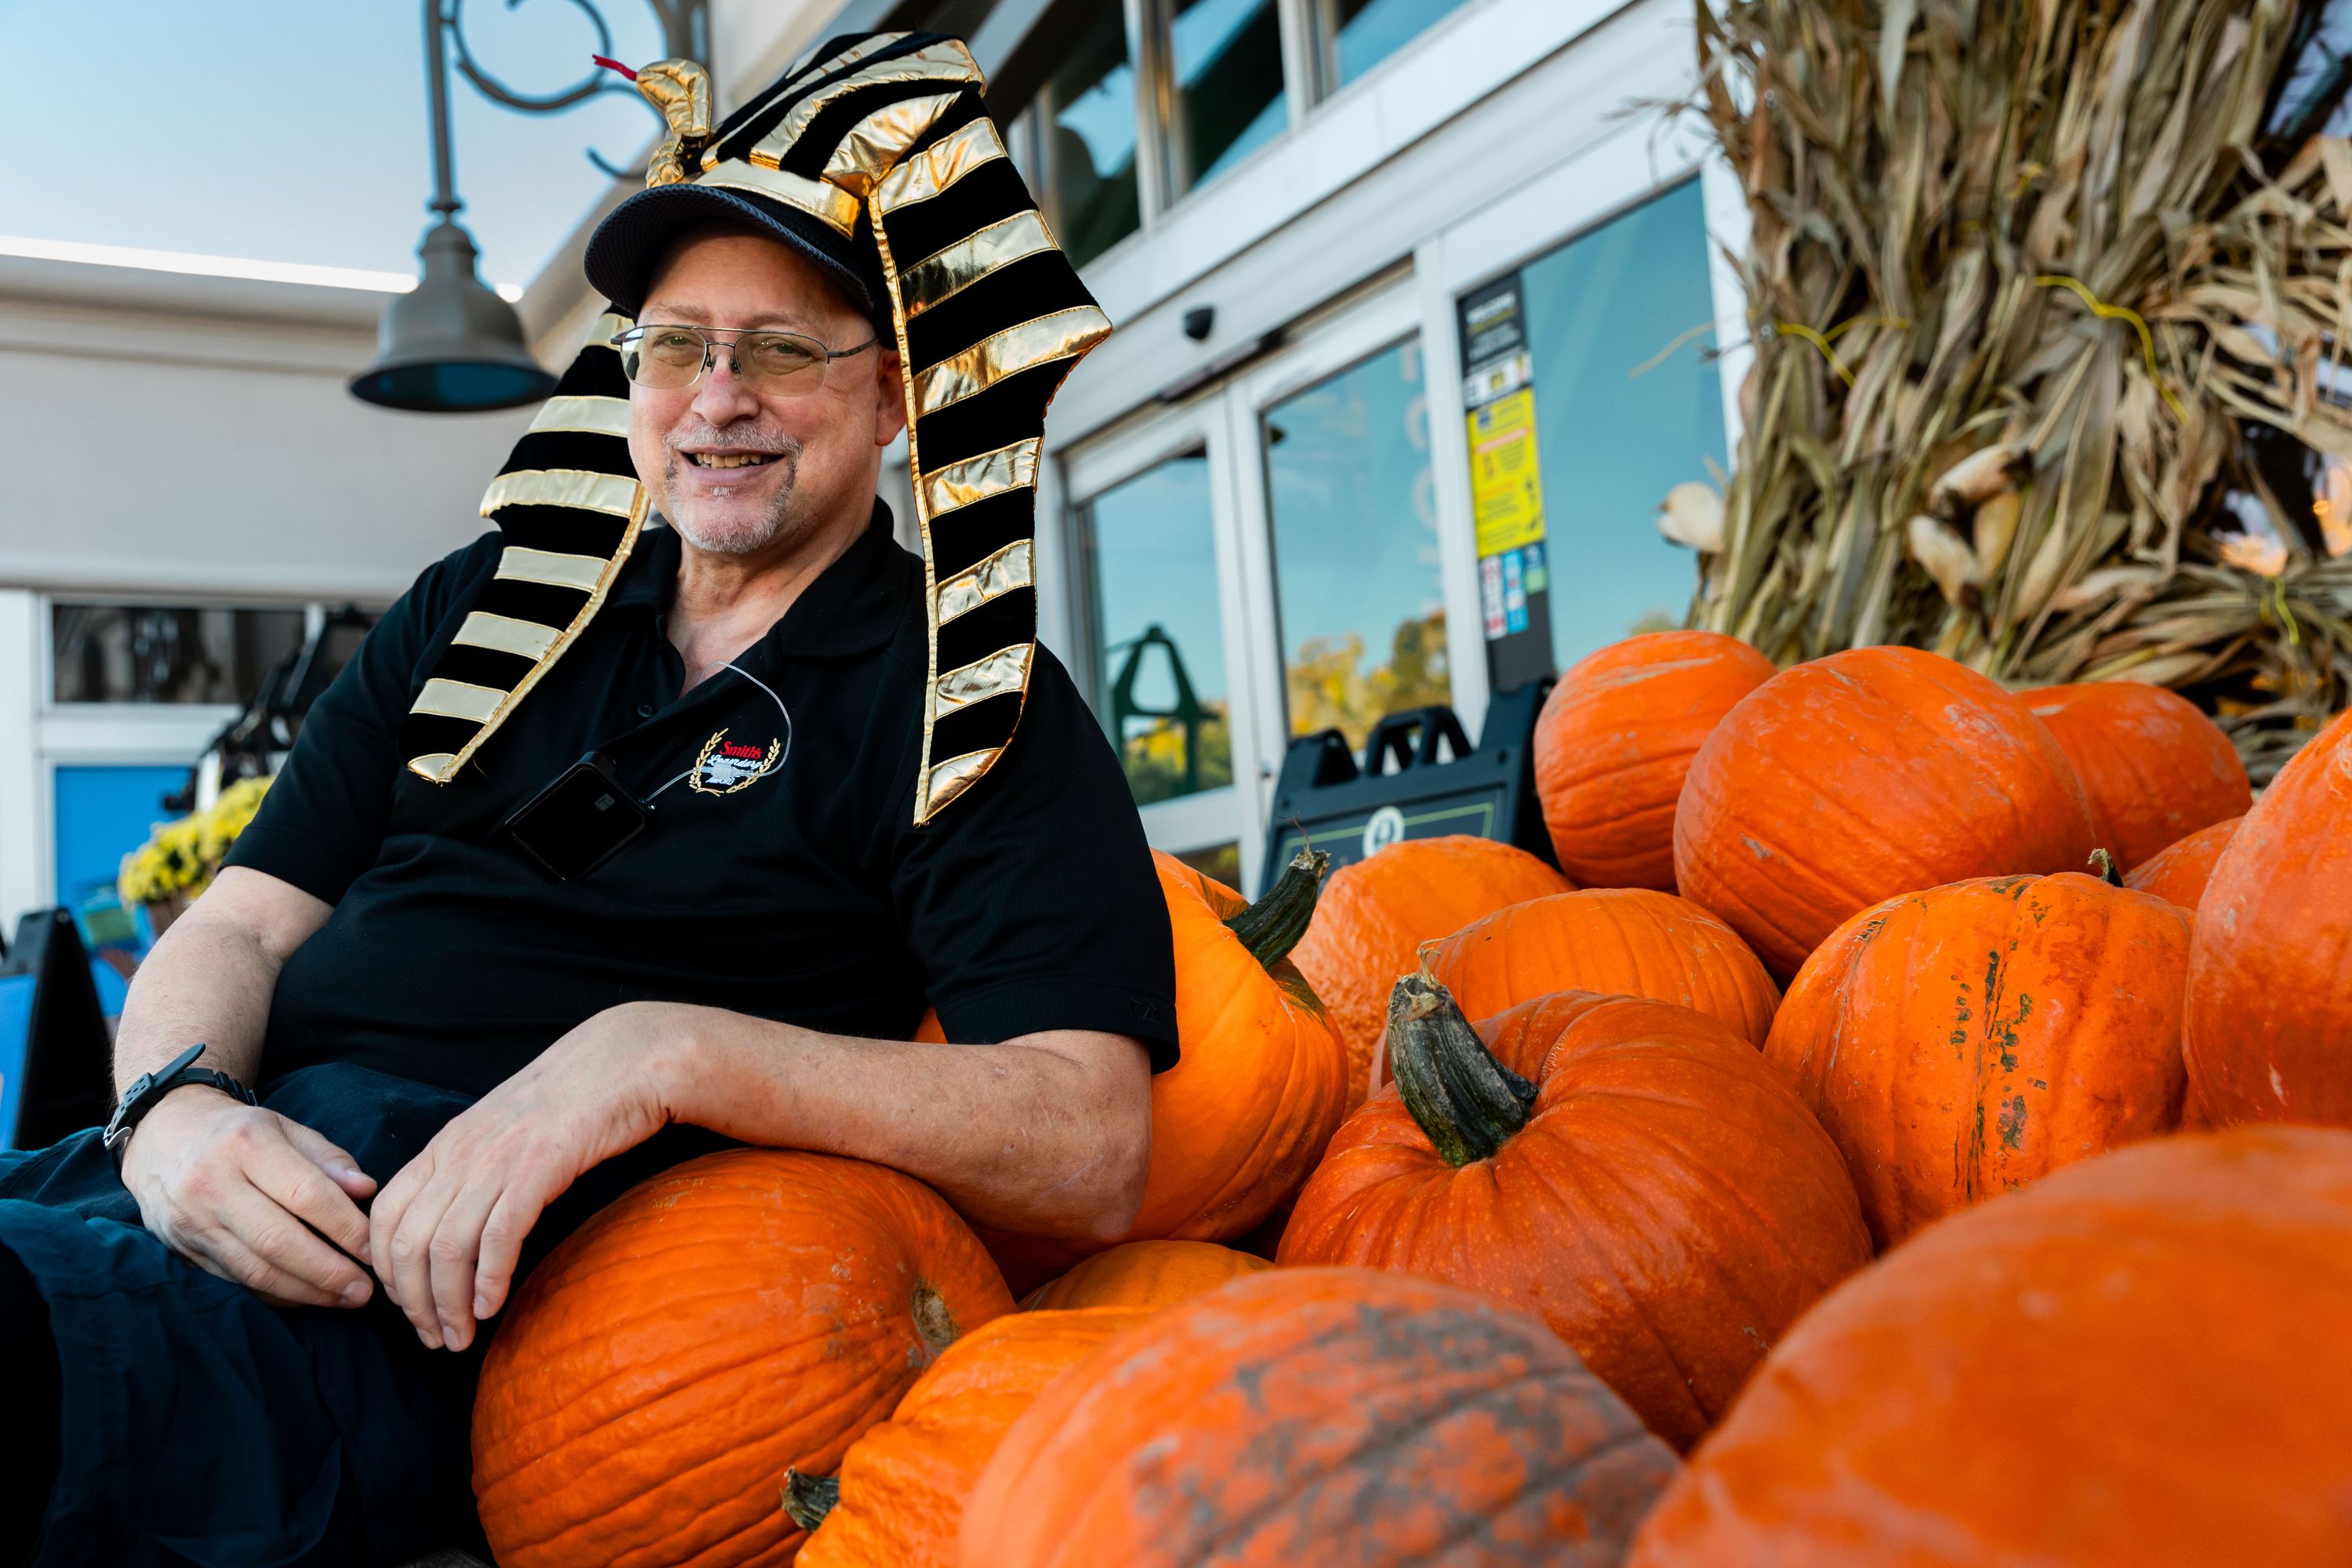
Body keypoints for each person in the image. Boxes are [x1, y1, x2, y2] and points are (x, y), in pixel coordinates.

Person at [0, 33, 1173, 1566]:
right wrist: (171, 1114)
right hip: (167, 1186)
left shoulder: (964, 692)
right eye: (676, 345)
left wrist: (664, 1054)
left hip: (410, 1300)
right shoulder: (496, 600)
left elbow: (1089, 1139)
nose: (717, 399)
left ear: (890, 395)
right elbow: (237, 921)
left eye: (781, 349)